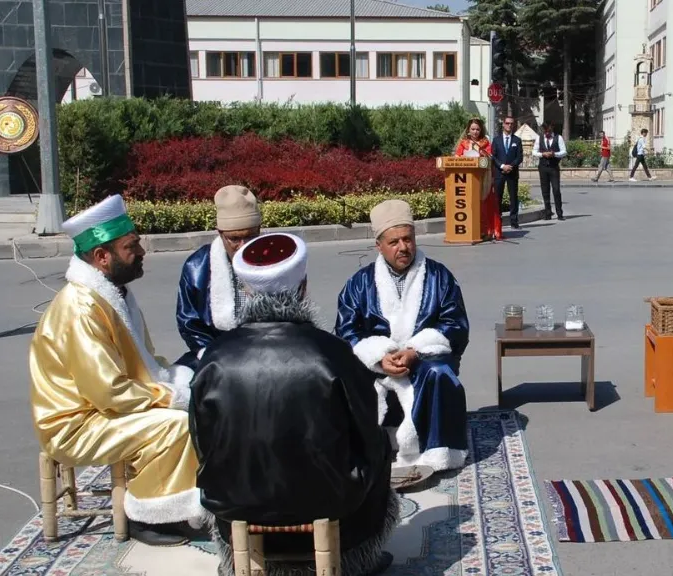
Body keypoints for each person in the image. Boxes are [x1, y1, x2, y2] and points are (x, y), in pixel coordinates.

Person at [190, 232, 396, 576]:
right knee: (380, 446)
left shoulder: (215, 356)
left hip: (233, 500)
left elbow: (200, 437)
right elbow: (366, 426)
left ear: (249, 291)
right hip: (329, 499)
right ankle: (356, 560)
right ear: (302, 286)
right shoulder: (331, 352)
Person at [28, 194, 208, 546]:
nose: (141, 252)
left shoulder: (113, 294)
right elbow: (108, 391)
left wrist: (183, 383)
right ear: (101, 257)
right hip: (76, 422)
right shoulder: (80, 308)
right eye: (131, 246)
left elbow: (146, 364)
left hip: (104, 409)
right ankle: (146, 516)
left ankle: (184, 500)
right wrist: (172, 395)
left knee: (198, 395)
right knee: (176, 424)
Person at [335, 199, 470, 472]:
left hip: (424, 359)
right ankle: (368, 447)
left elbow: (455, 325)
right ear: (379, 246)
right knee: (347, 375)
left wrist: (415, 351)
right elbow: (346, 332)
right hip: (378, 362)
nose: (403, 247)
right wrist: (378, 357)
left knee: (439, 373)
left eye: (408, 239)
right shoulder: (359, 284)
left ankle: (438, 452)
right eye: (394, 242)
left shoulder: (439, 277)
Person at [175, 185, 262, 368]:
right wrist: (214, 358)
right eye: (235, 239)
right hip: (216, 355)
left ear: (259, 229)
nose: (243, 246)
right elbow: (190, 323)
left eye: (251, 237)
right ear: (220, 233)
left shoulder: (278, 261)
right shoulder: (197, 267)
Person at [455, 118, 503, 241]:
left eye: (477, 129)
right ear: (468, 130)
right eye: (473, 129)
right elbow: (457, 157)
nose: (475, 132)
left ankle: (485, 231)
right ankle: (469, 230)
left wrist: (482, 155)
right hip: (465, 179)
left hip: (483, 177)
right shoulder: (463, 143)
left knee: (483, 204)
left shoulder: (485, 143)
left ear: (481, 130)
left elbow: (489, 159)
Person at [491, 116, 524, 229]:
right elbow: (493, 157)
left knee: (513, 197)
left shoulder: (517, 140)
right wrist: (502, 166)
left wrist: (511, 166)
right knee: (497, 197)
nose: (509, 125)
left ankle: (514, 221)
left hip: (512, 173)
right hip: (499, 173)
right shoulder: (496, 140)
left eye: (511, 123)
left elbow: (519, 157)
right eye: (507, 123)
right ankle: (497, 221)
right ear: (503, 124)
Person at [532, 122, 567, 220]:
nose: (547, 132)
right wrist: (542, 154)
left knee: (556, 190)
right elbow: (534, 151)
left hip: (554, 167)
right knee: (545, 190)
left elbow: (564, 151)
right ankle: (548, 213)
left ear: (552, 129)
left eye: (549, 130)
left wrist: (554, 154)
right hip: (543, 167)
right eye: (545, 130)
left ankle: (559, 213)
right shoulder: (540, 138)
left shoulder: (558, 137)